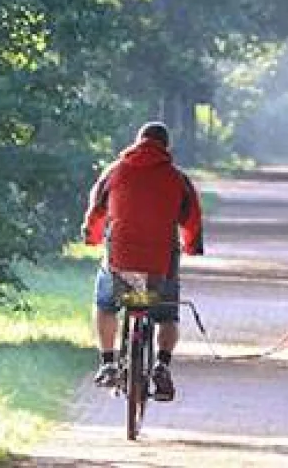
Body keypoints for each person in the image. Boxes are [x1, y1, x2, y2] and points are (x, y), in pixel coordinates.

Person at [82, 121, 204, 402]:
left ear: (137, 142)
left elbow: (96, 211)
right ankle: (162, 364)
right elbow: (192, 220)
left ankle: (109, 361)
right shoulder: (178, 179)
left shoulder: (114, 173)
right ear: (166, 147)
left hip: (119, 263)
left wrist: (92, 237)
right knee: (167, 315)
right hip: (160, 267)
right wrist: (192, 246)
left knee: (105, 305)